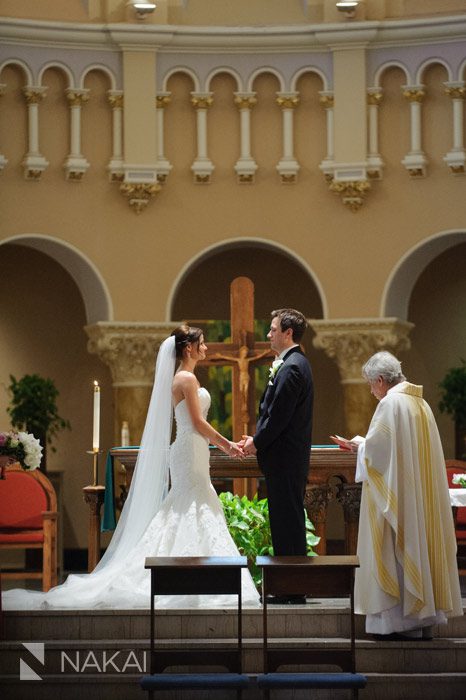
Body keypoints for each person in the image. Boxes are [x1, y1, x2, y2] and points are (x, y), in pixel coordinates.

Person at [3, 326, 260, 609]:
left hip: (194, 450)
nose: (206, 348)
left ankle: (196, 575)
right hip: (189, 447)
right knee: (188, 504)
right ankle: (188, 578)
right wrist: (228, 445)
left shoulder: (187, 377)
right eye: (202, 344)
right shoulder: (185, 378)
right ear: (188, 348)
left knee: (192, 505)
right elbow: (197, 423)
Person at [349, 351, 463, 639]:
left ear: (380, 380)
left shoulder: (390, 403)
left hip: (398, 497)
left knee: (395, 547)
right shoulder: (420, 403)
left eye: (370, 385)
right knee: (418, 545)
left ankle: (397, 624)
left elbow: (379, 453)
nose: (371, 391)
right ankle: (422, 620)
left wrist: (359, 447)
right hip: (417, 497)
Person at [241, 308, 313, 603]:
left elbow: (279, 416)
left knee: (288, 523)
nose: (268, 334)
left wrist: (256, 443)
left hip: (285, 458)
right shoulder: (291, 363)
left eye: (272, 329)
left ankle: (291, 589)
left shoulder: (293, 367)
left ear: (288, 333)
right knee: (285, 522)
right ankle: (291, 587)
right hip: (285, 458)